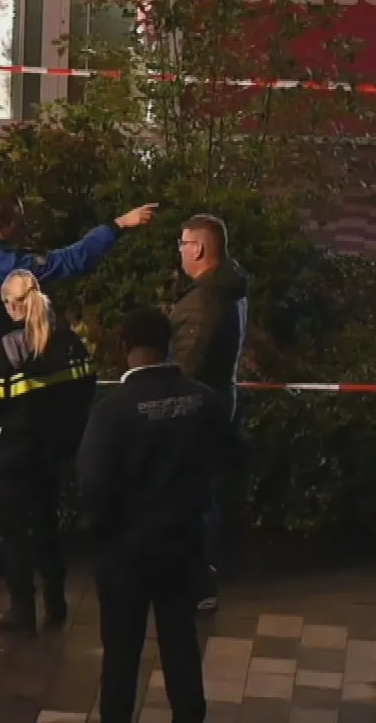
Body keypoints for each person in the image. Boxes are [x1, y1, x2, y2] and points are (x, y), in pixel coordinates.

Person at [0, 191, 157, 570]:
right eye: (19, 220)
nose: (25, 225)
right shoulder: (16, 268)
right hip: (6, 389)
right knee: (20, 486)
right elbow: (72, 260)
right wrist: (118, 225)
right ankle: (25, 573)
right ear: (2, 227)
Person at [78, 308, 233, 723]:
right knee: (181, 643)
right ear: (167, 346)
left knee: (121, 656)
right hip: (182, 545)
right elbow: (232, 458)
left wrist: (98, 536)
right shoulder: (203, 398)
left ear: (125, 348)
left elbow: (92, 486)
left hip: (124, 554)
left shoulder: (112, 411)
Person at [0, 270, 95, 633]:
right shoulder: (70, 343)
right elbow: (85, 391)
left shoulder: (5, 349)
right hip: (52, 452)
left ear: (14, 305)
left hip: (11, 455)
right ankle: (56, 603)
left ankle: (22, 609)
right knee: (47, 525)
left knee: (13, 531)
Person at [168, 213, 249, 610]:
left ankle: (197, 582)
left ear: (198, 249)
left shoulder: (203, 304)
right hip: (217, 407)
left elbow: (186, 370)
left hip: (197, 417)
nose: (180, 253)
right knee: (205, 497)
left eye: (182, 245)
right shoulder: (229, 290)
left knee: (195, 500)